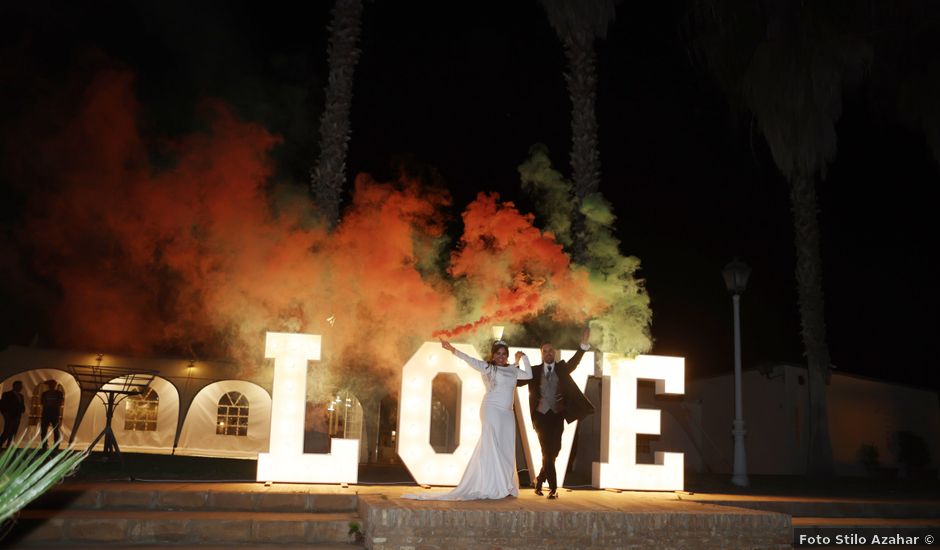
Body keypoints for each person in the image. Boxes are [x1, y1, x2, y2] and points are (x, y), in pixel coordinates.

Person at [403, 339, 532, 500]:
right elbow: (469, 360)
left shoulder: (513, 370)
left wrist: (523, 357)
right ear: (493, 355)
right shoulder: (488, 367)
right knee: (492, 445)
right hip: (491, 409)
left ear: (507, 356)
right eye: (498, 353)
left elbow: (529, 375)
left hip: (507, 413)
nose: (501, 356)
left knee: (505, 448)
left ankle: (504, 484)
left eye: (504, 354)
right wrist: (452, 349)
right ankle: (495, 485)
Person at [517, 327, 595, 499]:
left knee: (555, 451)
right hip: (540, 417)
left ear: (554, 353)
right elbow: (517, 382)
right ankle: (553, 488)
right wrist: (513, 365)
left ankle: (539, 479)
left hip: (558, 416)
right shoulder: (535, 371)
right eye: (545, 351)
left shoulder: (562, 368)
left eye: (551, 350)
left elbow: (575, 361)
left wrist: (583, 346)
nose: (548, 353)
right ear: (541, 354)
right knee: (546, 451)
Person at [0, 380, 26, 449]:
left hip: (17, 416)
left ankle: (9, 445)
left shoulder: (21, 396)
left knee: (14, 431)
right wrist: (6, 415)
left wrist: (23, 409)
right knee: (7, 432)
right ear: (15, 386)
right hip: (10, 416)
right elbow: (2, 406)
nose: (21, 387)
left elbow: (21, 405)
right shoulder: (7, 394)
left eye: (21, 386)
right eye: (20, 386)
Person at [40, 380, 64, 450]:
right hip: (47, 413)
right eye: (50, 384)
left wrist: (49, 403)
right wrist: (52, 403)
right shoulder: (45, 393)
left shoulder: (59, 393)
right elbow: (42, 402)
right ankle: (44, 445)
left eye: (53, 384)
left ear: (55, 385)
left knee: (56, 430)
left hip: (54, 413)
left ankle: (56, 445)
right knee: (44, 430)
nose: (51, 386)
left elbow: (59, 402)